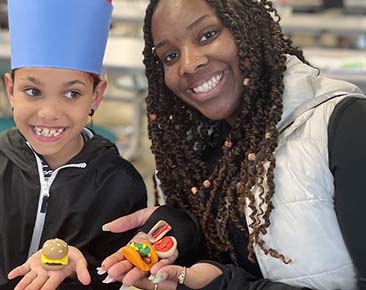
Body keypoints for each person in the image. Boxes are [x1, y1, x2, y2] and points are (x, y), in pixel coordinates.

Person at [41, 0, 366, 289]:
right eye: (169, 55)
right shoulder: (198, 147)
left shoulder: (344, 125)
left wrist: (226, 285)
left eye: (207, 35)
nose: (189, 63)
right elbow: (221, 256)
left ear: (249, 29)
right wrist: (181, 230)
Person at [0, 1, 147, 289]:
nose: (49, 112)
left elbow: (117, 275)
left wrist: (78, 267)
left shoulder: (120, 184)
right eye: (33, 91)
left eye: (72, 93)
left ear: (96, 96)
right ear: (11, 90)